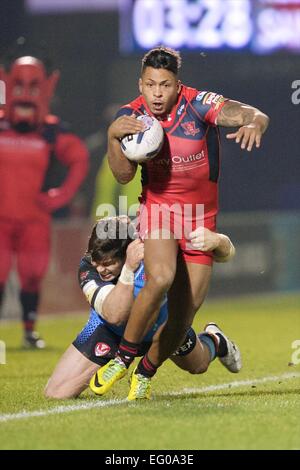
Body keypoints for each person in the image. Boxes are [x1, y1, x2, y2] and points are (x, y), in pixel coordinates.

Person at [99, 46, 269, 399]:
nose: (157, 93)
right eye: (150, 85)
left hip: (199, 220)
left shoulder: (199, 104)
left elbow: (255, 114)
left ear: (177, 85)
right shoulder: (130, 117)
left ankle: (145, 373)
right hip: (159, 208)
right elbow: (123, 174)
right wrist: (113, 137)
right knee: (160, 276)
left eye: (164, 85)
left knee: (182, 315)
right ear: (140, 84)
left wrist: (254, 123)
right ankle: (122, 357)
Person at [45, 217, 239, 400]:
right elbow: (115, 315)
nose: (101, 269)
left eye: (108, 263)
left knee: (199, 365)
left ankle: (216, 340)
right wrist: (128, 270)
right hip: (111, 332)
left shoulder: (156, 249)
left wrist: (217, 240)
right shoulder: (88, 268)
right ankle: (122, 360)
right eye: (98, 263)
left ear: (128, 250)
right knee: (57, 392)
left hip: (162, 327)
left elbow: (226, 252)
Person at [0, 56, 89, 348]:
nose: (26, 95)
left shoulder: (51, 131)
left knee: (32, 275)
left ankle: (28, 331)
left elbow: (79, 158)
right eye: (20, 85)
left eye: (34, 86)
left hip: (35, 218)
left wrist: (62, 195)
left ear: (46, 89)